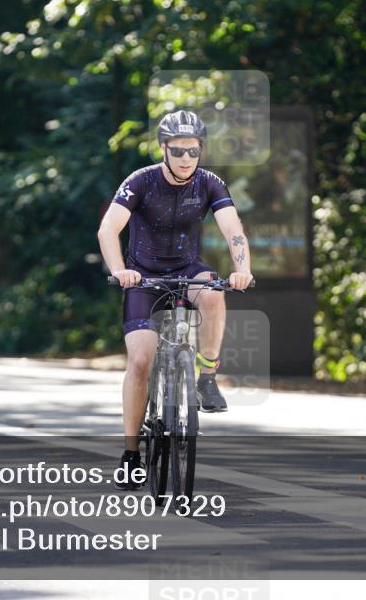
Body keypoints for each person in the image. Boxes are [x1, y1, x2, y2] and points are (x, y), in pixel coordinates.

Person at [97, 110, 253, 489]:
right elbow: (108, 229)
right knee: (139, 361)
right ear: (164, 148)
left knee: (215, 294)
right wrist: (121, 270)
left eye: (194, 152)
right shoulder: (141, 181)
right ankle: (132, 453)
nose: (186, 159)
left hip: (187, 270)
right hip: (143, 276)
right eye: (179, 151)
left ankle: (208, 377)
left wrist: (242, 268)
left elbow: (234, 230)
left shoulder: (210, 183)